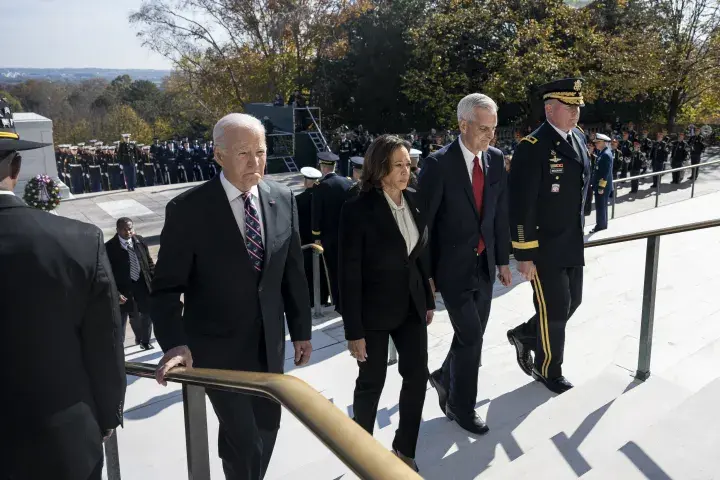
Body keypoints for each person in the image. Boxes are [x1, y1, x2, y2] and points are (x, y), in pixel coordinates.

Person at [151, 113, 313, 480]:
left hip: (269, 345)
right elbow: (164, 290)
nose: (255, 163)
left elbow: (292, 273)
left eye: (261, 152)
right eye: (243, 153)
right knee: (245, 438)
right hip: (215, 350)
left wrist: (301, 330)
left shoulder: (282, 197)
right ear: (218, 155)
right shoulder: (188, 210)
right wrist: (174, 344)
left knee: (267, 429)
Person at [0, 98, 126, 480]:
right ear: (17, 168)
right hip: (62, 444)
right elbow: (105, 345)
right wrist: (105, 417)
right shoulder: (80, 241)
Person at [339, 135, 435, 472]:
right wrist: (353, 330)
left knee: (417, 375)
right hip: (373, 314)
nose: (406, 171)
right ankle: (362, 454)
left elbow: (417, 255)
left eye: (408, 164)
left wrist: (427, 297)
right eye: (398, 165)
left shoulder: (415, 199)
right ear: (379, 167)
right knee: (371, 383)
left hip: (411, 307)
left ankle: (404, 449)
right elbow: (347, 273)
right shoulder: (357, 207)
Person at [420, 93, 512, 434]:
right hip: (452, 269)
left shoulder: (496, 159)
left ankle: (445, 375)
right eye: (484, 128)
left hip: (485, 265)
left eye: (494, 129)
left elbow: (499, 215)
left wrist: (503, 260)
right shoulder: (437, 164)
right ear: (463, 125)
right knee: (472, 338)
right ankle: (460, 406)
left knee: (471, 334)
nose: (490, 136)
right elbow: (425, 225)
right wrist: (427, 275)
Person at [507, 78, 591, 394]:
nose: (575, 114)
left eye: (577, 108)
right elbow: (521, 205)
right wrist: (524, 254)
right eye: (569, 107)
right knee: (554, 310)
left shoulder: (578, 139)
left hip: (570, 240)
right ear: (549, 109)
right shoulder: (532, 147)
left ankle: (526, 334)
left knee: (573, 302)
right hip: (543, 247)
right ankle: (548, 369)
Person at [106, 217, 156, 350]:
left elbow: (149, 262)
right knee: (130, 315)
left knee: (147, 314)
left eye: (130, 229)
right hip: (124, 289)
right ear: (117, 230)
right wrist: (116, 293)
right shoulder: (109, 248)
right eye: (124, 229)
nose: (128, 232)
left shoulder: (139, 241)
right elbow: (107, 274)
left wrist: (154, 280)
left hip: (142, 284)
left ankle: (145, 341)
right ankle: (123, 345)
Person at [311, 151, 353, 309]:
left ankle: (337, 300)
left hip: (329, 237)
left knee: (333, 270)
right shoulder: (348, 183)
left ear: (322, 167)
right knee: (347, 267)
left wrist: (316, 235)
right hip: (348, 234)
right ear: (334, 166)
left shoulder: (320, 187)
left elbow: (317, 215)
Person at [296, 166, 328, 307]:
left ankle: (311, 300)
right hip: (323, 240)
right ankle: (323, 297)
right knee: (324, 271)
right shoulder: (323, 197)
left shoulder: (298, 199)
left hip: (306, 241)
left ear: (306, 182)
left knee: (308, 271)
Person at [591, 133, 614, 233]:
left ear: (604, 142)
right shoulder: (602, 152)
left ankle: (600, 225)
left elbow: (605, 173)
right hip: (601, 185)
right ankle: (602, 224)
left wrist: (601, 187)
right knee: (602, 206)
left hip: (602, 186)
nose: (596, 144)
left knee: (600, 206)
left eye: (598, 142)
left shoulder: (605, 155)